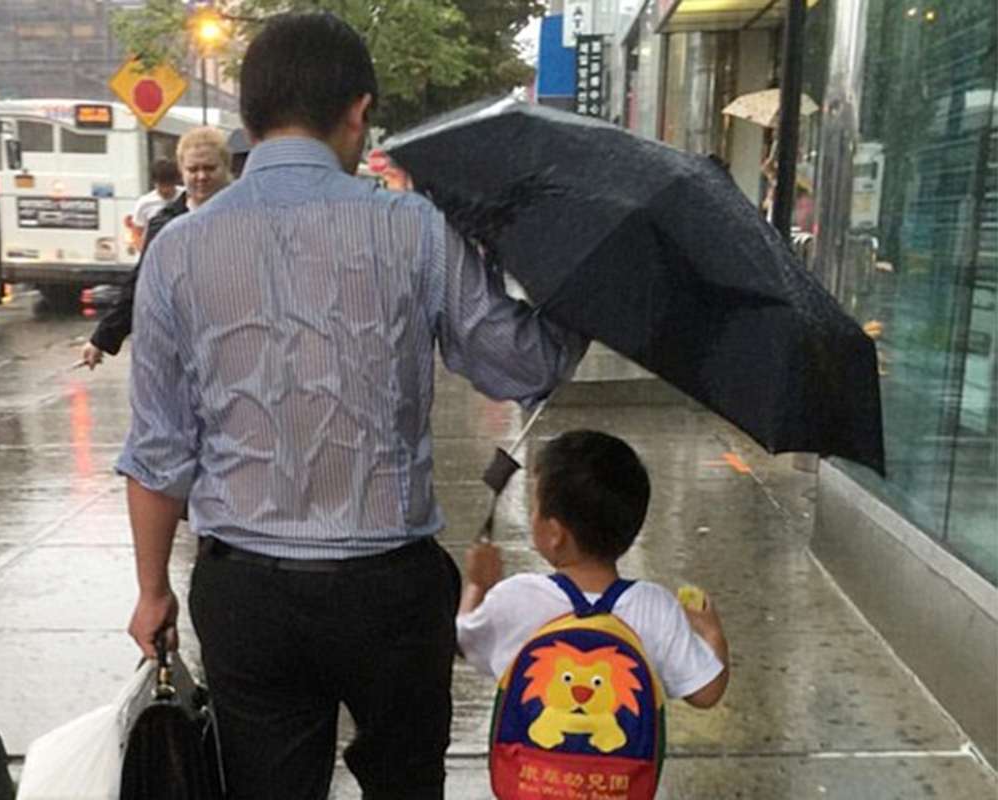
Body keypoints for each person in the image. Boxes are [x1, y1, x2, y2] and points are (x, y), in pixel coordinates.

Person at [116, 12, 587, 799]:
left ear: (247, 119)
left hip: (247, 596)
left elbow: (159, 449)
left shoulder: (176, 251)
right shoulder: (416, 229)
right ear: (359, 110)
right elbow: (522, 364)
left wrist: (152, 589)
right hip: (390, 596)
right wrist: (561, 279)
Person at [457, 430, 730, 715]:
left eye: (535, 507)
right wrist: (712, 632)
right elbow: (707, 692)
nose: (532, 515)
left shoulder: (516, 597)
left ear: (555, 533)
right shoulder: (656, 607)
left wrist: (478, 586)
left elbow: (462, 639)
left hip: (533, 747)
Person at [80, 127, 231, 369]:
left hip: (236, 347)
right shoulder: (164, 224)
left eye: (210, 168)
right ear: (182, 171)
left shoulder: (248, 217)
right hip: (181, 349)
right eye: (193, 169)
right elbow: (141, 284)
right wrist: (102, 339)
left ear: (226, 167)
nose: (201, 176)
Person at [128, 157, 182, 252]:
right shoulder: (145, 203)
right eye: (161, 185)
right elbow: (137, 233)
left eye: (168, 185)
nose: (165, 190)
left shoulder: (186, 196)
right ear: (154, 183)